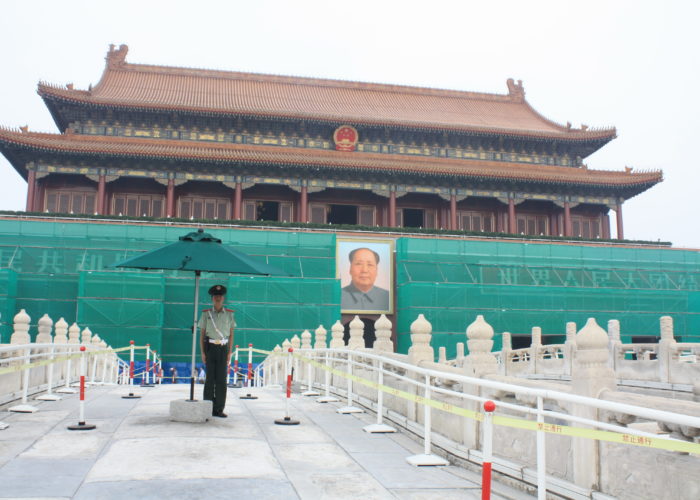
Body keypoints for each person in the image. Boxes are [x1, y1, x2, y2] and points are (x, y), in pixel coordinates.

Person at [199, 284, 234, 418]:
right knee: (209, 380)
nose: (218, 298)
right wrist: (202, 352)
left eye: (220, 296)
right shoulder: (206, 314)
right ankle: (208, 408)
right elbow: (202, 334)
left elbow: (231, 334)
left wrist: (229, 352)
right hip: (210, 348)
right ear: (212, 298)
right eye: (215, 296)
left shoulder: (229, 315)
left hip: (223, 349)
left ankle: (219, 409)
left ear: (223, 298)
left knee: (221, 380)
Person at [341, 247, 390, 311]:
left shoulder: (388, 297)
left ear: (377, 270)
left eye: (370, 265)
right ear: (350, 269)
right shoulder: (337, 297)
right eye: (358, 264)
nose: (364, 270)